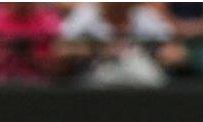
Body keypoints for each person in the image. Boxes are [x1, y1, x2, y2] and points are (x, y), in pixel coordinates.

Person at [58, 2, 188, 88]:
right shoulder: (86, 14)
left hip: (140, 74)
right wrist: (100, 49)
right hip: (96, 72)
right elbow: (62, 49)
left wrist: (163, 53)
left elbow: (176, 50)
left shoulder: (144, 15)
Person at [0, 2, 67, 85]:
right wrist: (0, 53)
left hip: (39, 89)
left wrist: (32, 56)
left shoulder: (49, 19)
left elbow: (63, 67)